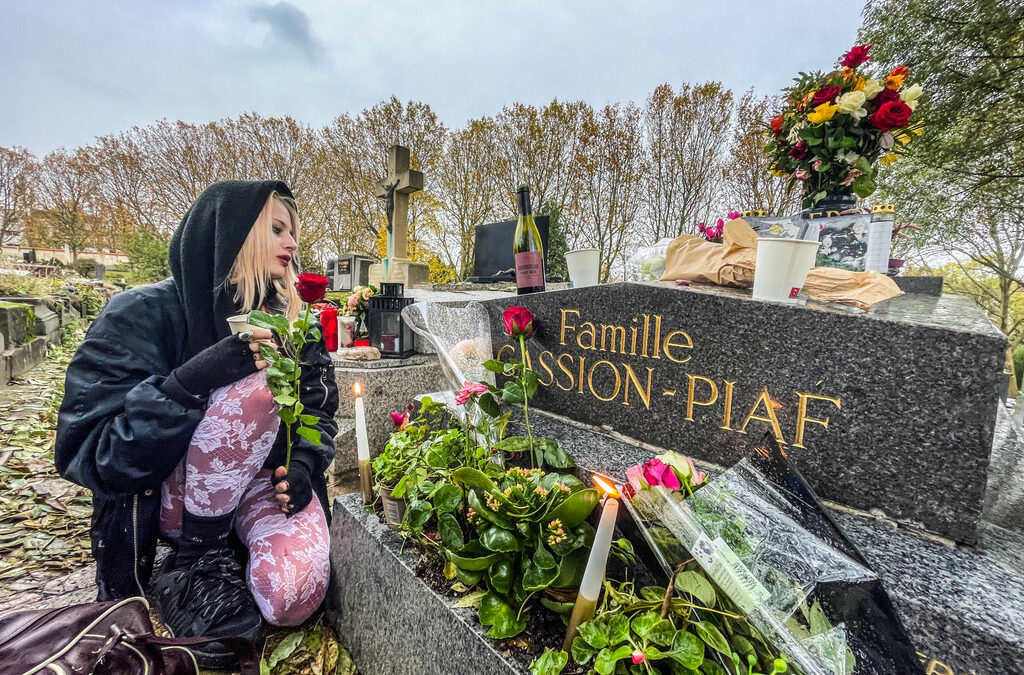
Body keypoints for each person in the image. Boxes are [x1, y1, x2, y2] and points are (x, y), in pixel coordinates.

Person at [55, 180, 339, 669]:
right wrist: (188, 383)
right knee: (257, 385)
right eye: (276, 229)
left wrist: (305, 464)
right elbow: (91, 453)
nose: (292, 244)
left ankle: (235, 553)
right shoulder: (139, 313)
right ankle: (193, 564)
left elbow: (318, 410)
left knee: (293, 597)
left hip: (257, 488)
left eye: (293, 231)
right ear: (229, 233)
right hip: (173, 501)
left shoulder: (294, 320)